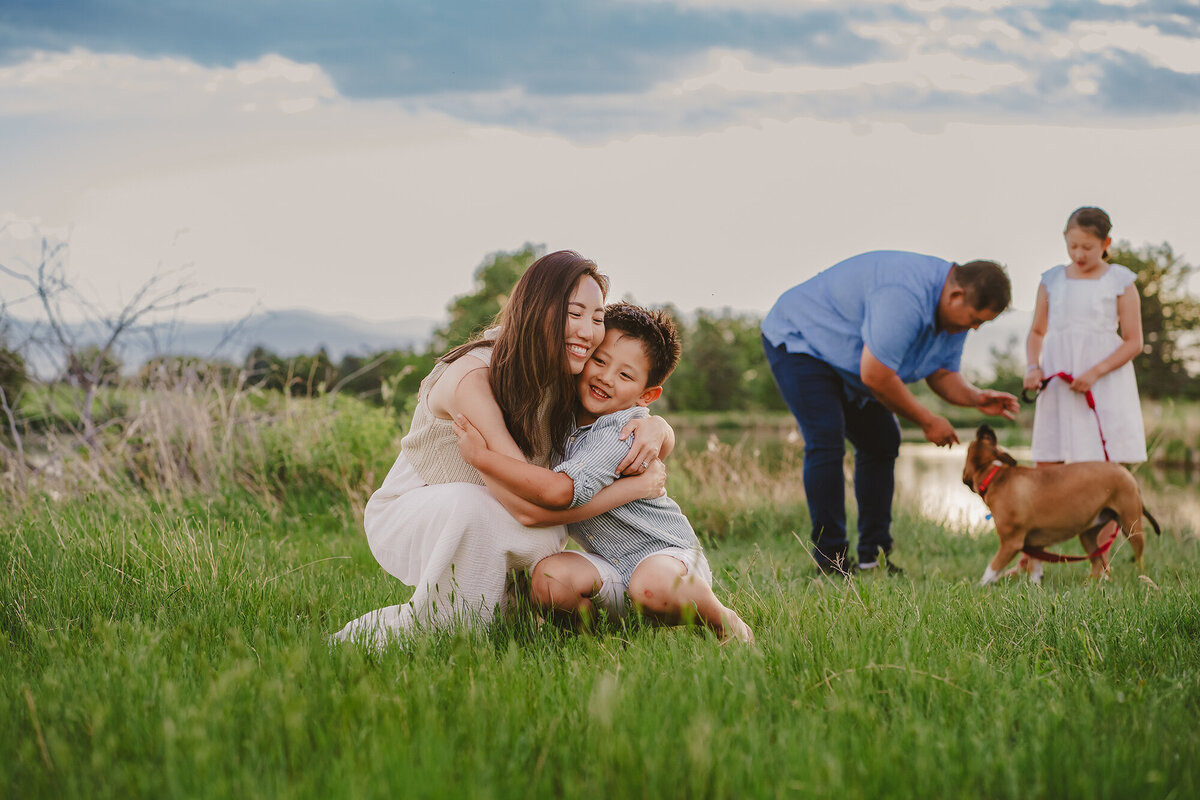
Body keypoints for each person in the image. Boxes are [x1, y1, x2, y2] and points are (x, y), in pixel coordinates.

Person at [332, 251, 674, 648]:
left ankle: (501, 618)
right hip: (422, 510)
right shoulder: (472, 377)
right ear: (537, 308)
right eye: (574, 313)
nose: (587, 331)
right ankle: (383, 640)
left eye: (597, 319)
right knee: (470, 518)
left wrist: (658, 427)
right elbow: (528, 508)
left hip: (501, 516)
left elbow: (620, 411)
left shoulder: (567, 374)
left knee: (513, 577)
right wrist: (633, 489)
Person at [453, 303, 754, 643]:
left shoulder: (620, 431)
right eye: (599, 361)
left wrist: (482, 457)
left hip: (665, 558)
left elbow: (559, 491)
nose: (605, 378)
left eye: (625, 375)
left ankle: (722, 620)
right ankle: (608, 643)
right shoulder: (563, 416)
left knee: (652, 586)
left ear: (646, 395)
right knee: (550, 581)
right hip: (608, 563)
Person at [761, 251, 1020, 575]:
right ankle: (831, 561)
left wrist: (976, 397)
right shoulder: (904, 296)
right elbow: (876, 375)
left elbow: (941, 373)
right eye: (975, 320)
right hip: (801, 341)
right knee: (826, 439)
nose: (975, 328)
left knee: (882, 439)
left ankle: (875, 557)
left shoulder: (953, 315)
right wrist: (927, 420)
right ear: (956, 295)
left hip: (851, 361)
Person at [1024, 207, 1147, 465]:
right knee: (1050, 460)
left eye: (1088, 247)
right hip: (1059, 384)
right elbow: (1037, 331)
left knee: (1106, 464)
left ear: (1106, 243)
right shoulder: (1052, 280)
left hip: (1104, 381)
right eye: (1073, 246)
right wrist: (1033, 367)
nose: (1079, 254)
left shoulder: (1120, 281)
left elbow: (1134, 341)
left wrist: (1095, 372)